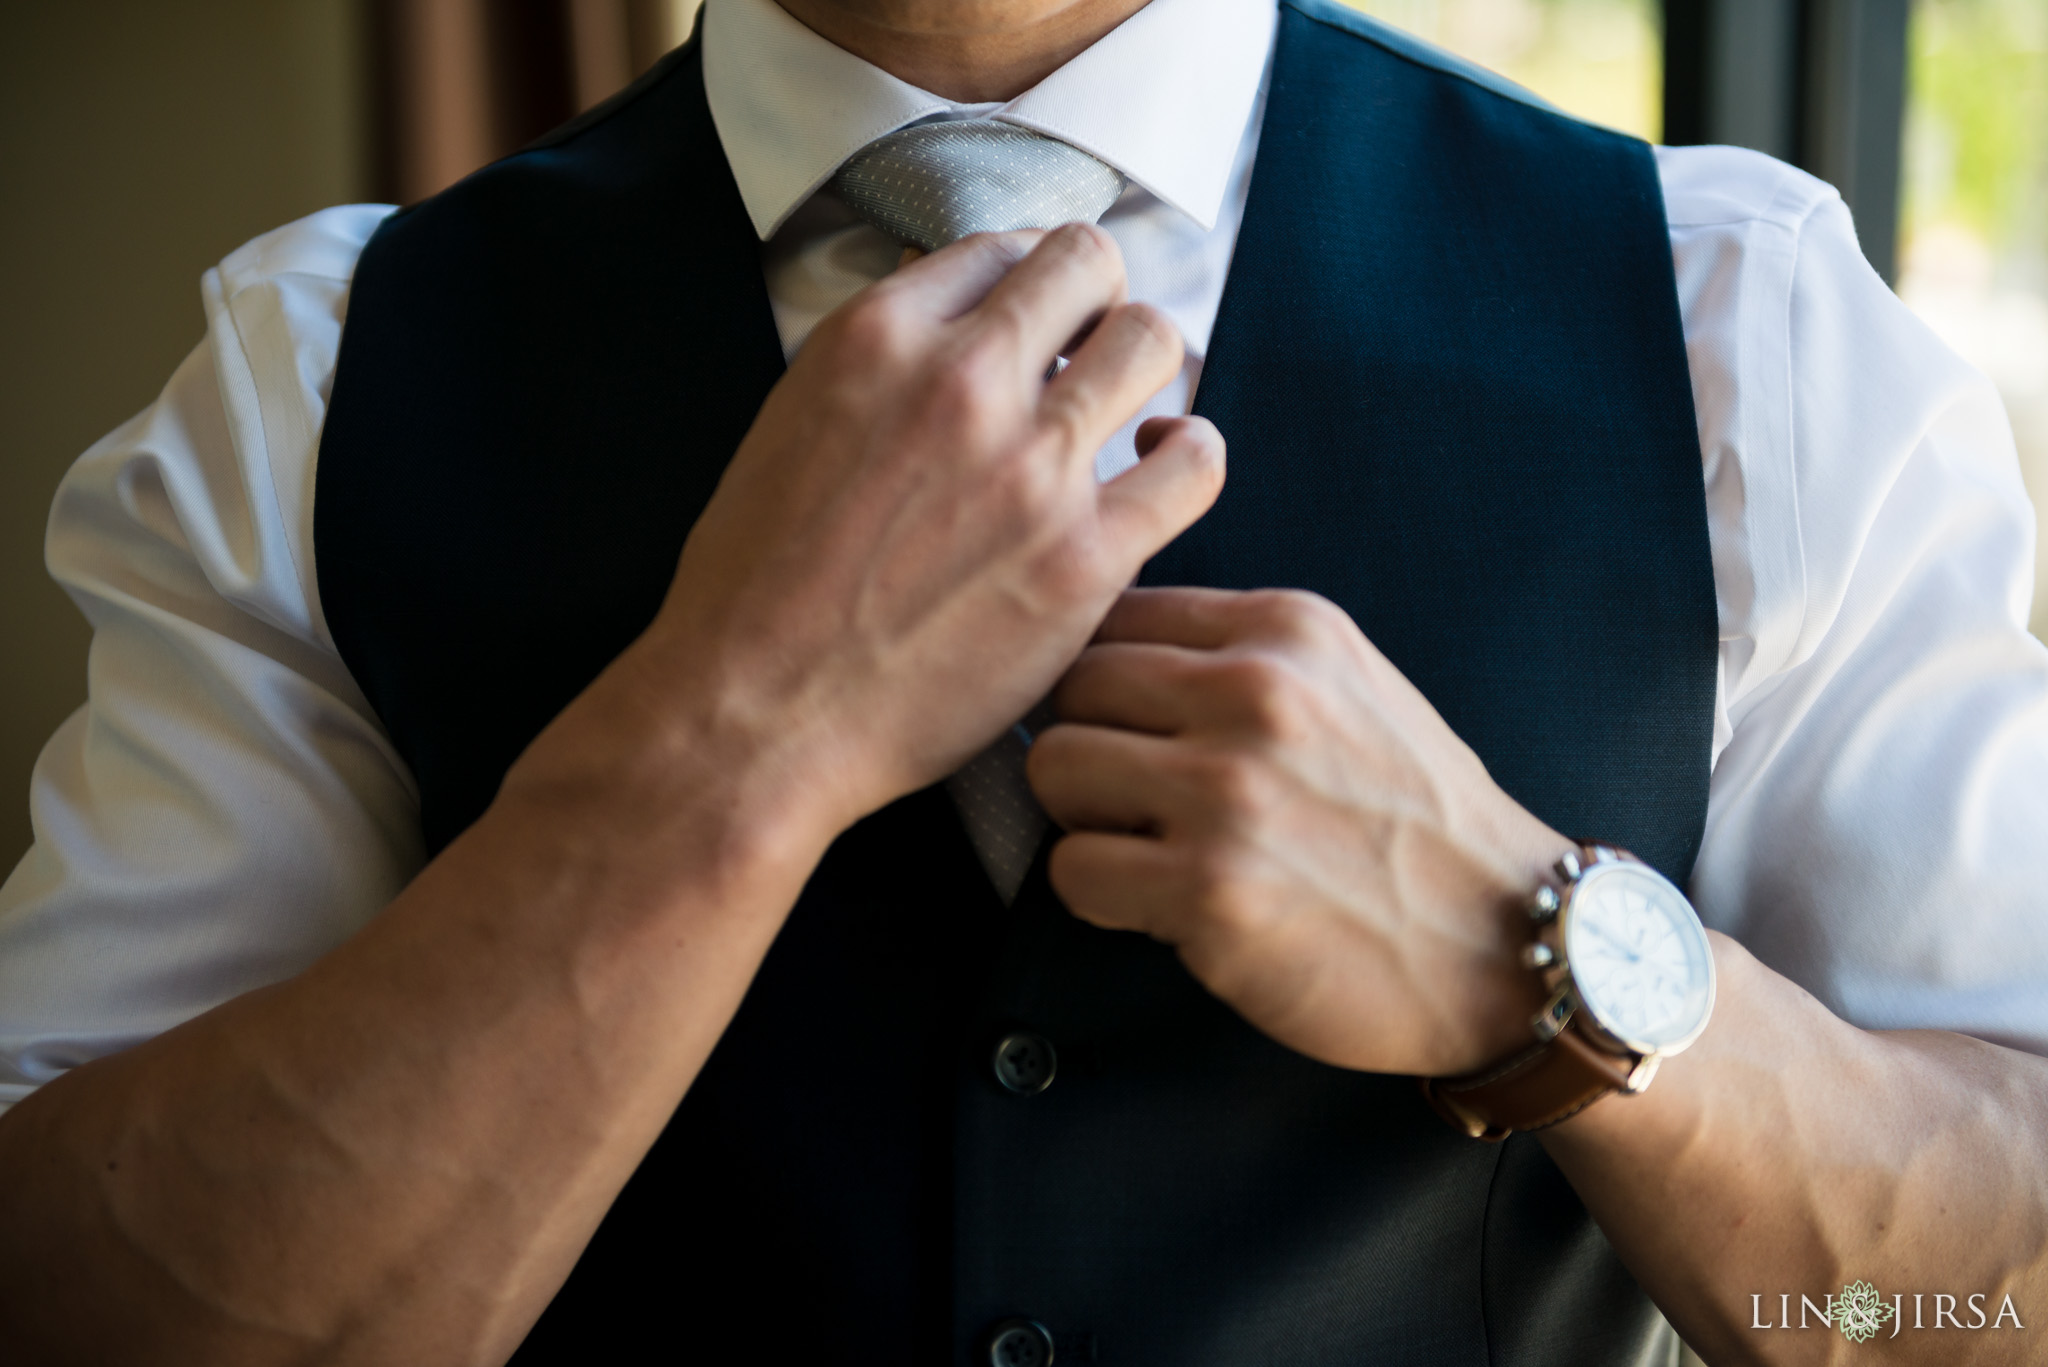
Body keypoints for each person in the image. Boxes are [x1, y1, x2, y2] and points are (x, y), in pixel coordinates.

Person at [2, 0, 2046, 1361]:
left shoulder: (1740, 329)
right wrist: (733, 745)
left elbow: (1986, 1316)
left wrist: (1550, 957)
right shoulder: (320, 383)